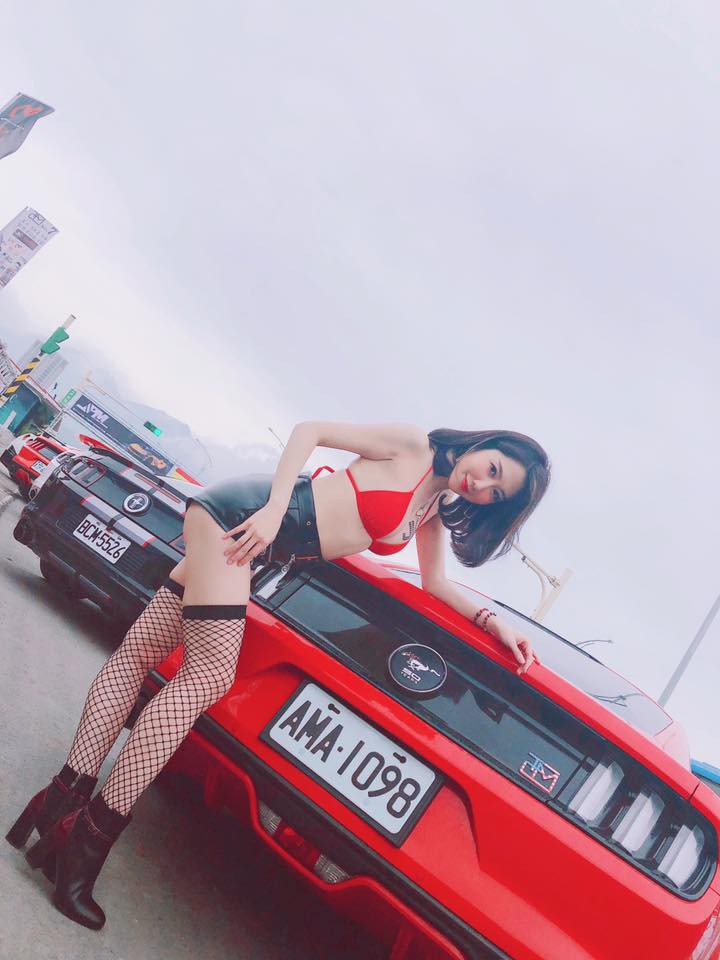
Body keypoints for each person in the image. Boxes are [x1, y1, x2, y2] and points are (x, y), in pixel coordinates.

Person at [6, 422, 550, 930]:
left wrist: (496, 624)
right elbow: (311, 431)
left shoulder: (432, 506)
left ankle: (54, 812)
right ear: (484, 444)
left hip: (252, 544)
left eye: (495, 494)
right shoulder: (413, 446)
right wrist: (272, 512)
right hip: (242, 517)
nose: (482, 485)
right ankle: (83, 849)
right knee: (209, 676)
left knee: (137, 654)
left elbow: (435, 584)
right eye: (493, 469)